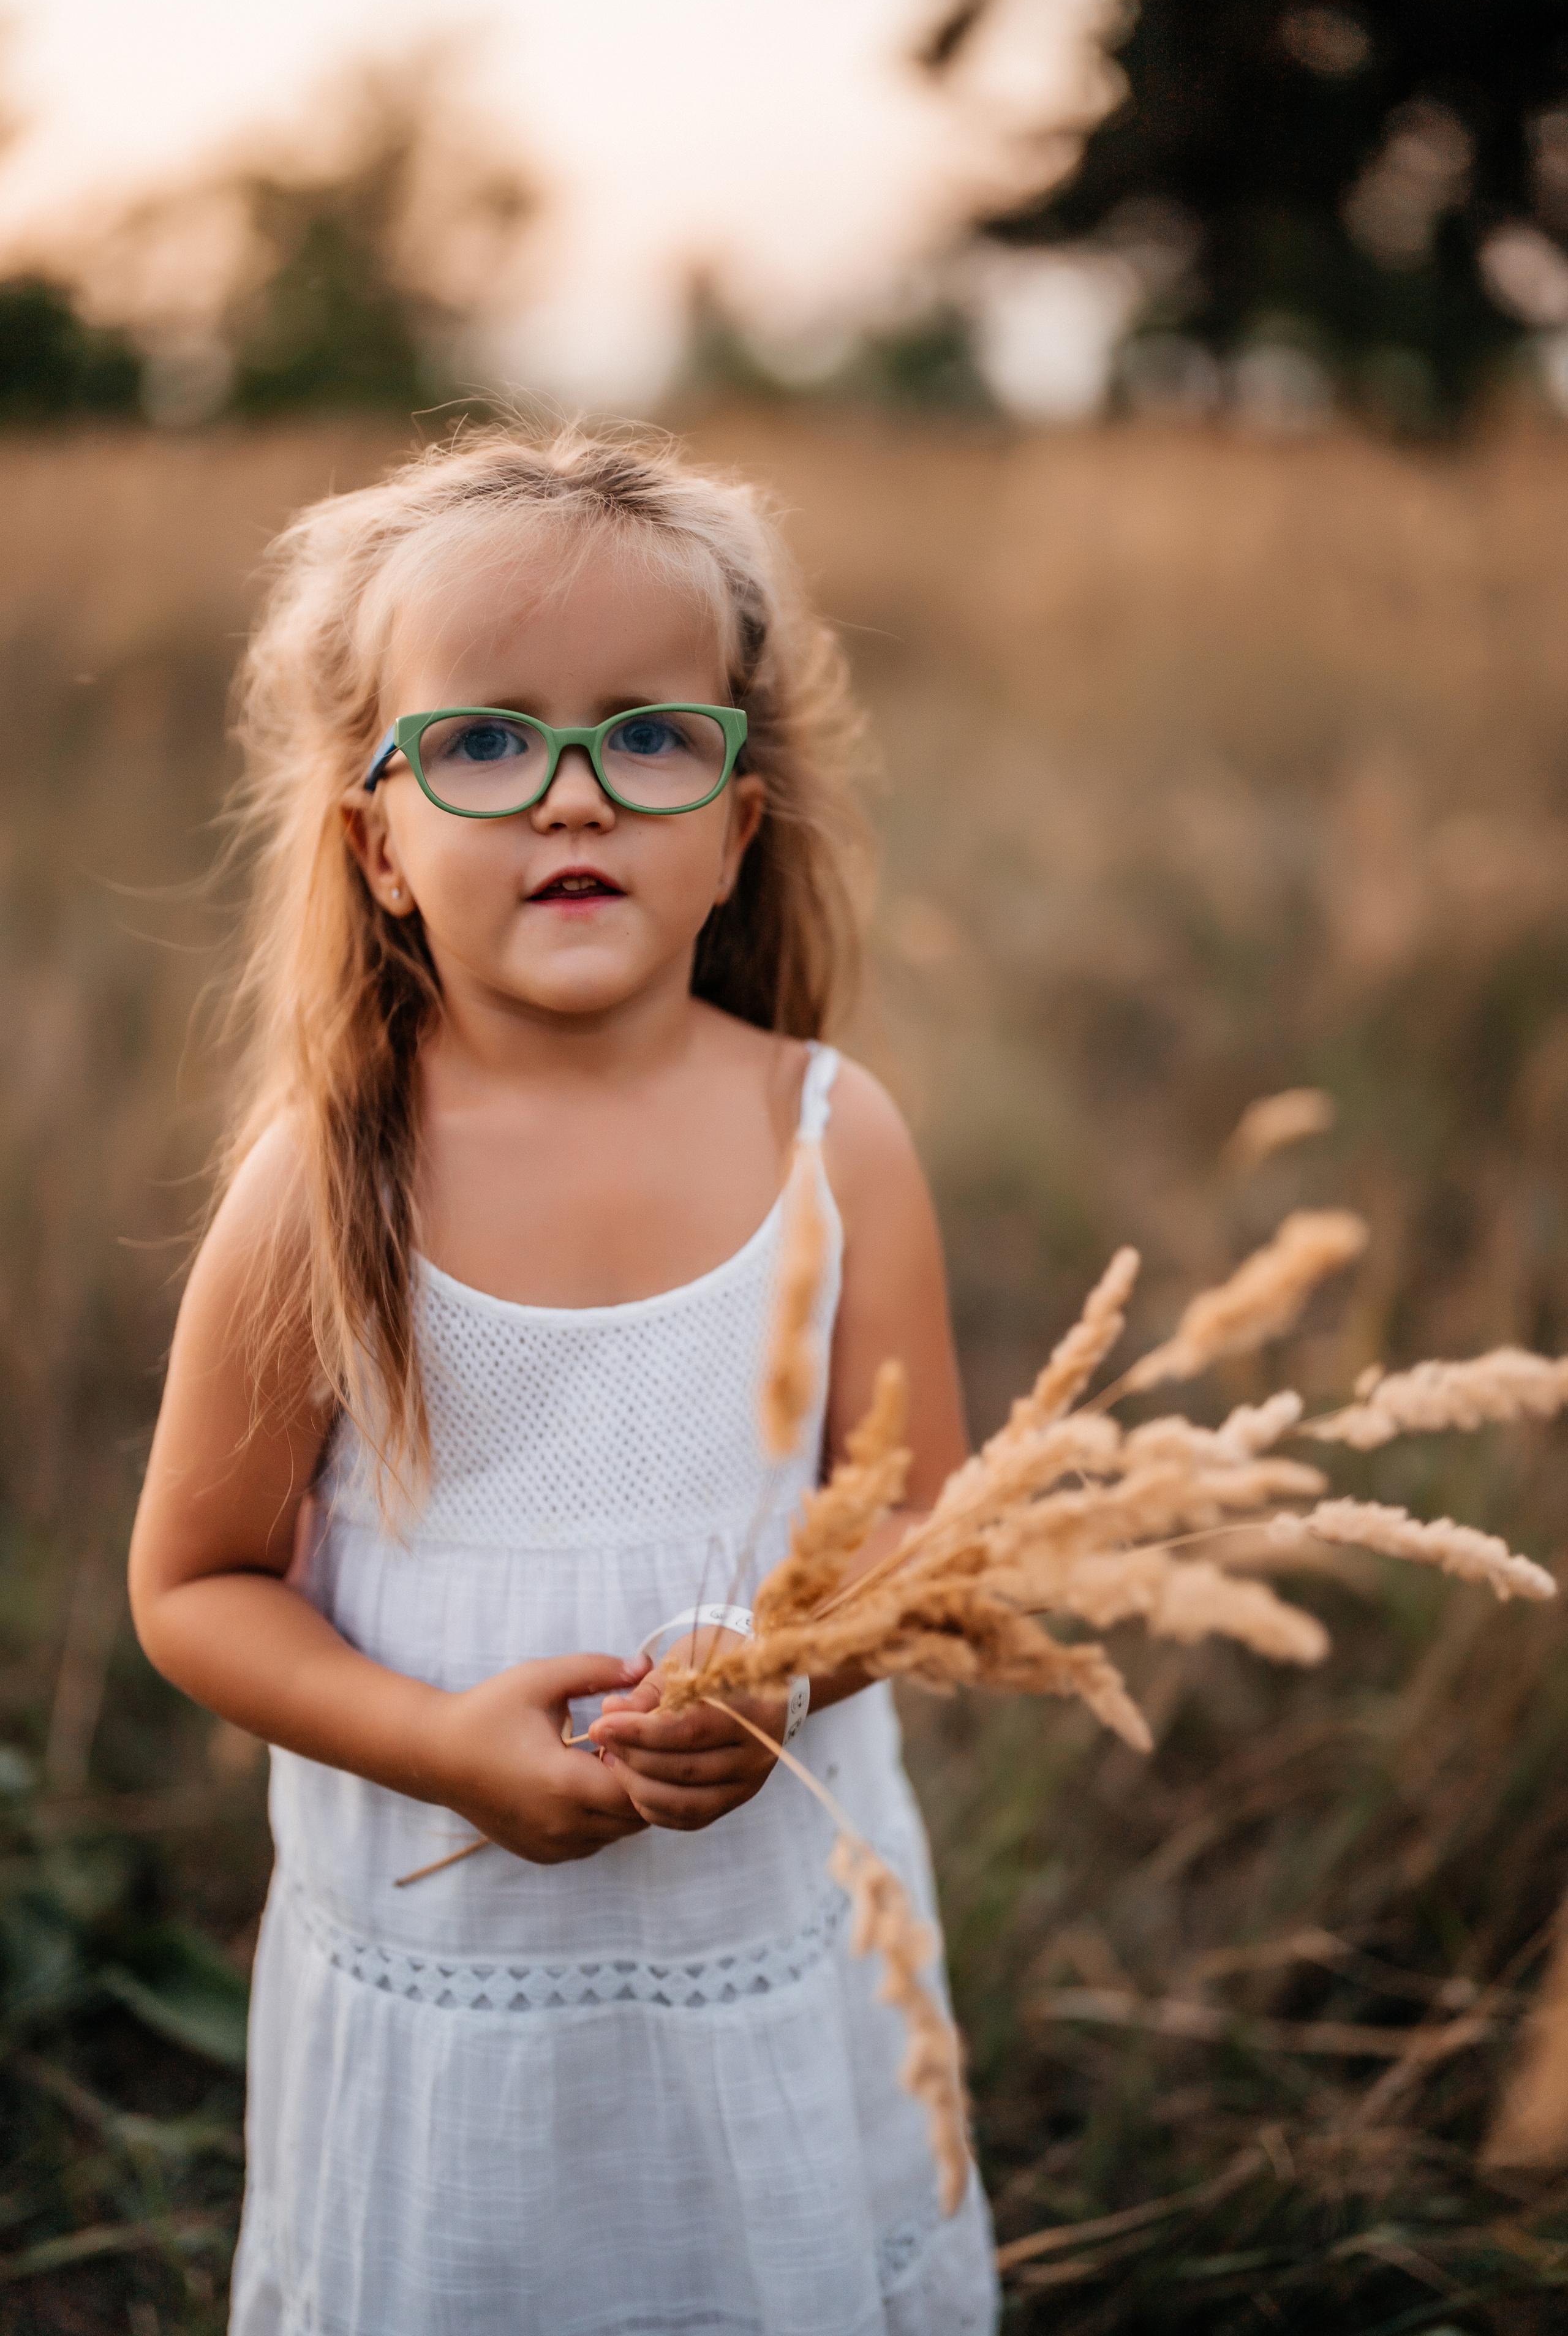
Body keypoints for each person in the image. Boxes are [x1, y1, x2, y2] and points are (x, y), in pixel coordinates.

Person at [127, 424, 1000, 2335]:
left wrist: (787, 1674)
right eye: (487, 742)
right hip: (458, 1988)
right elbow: (192, 1589)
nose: (575, 797)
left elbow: (935, 1536)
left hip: (767, 1953)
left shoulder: (836, 1143)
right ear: (376, 842)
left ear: (738, 824)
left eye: (651, 735)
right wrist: (443, 1748)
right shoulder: (331, 1175)